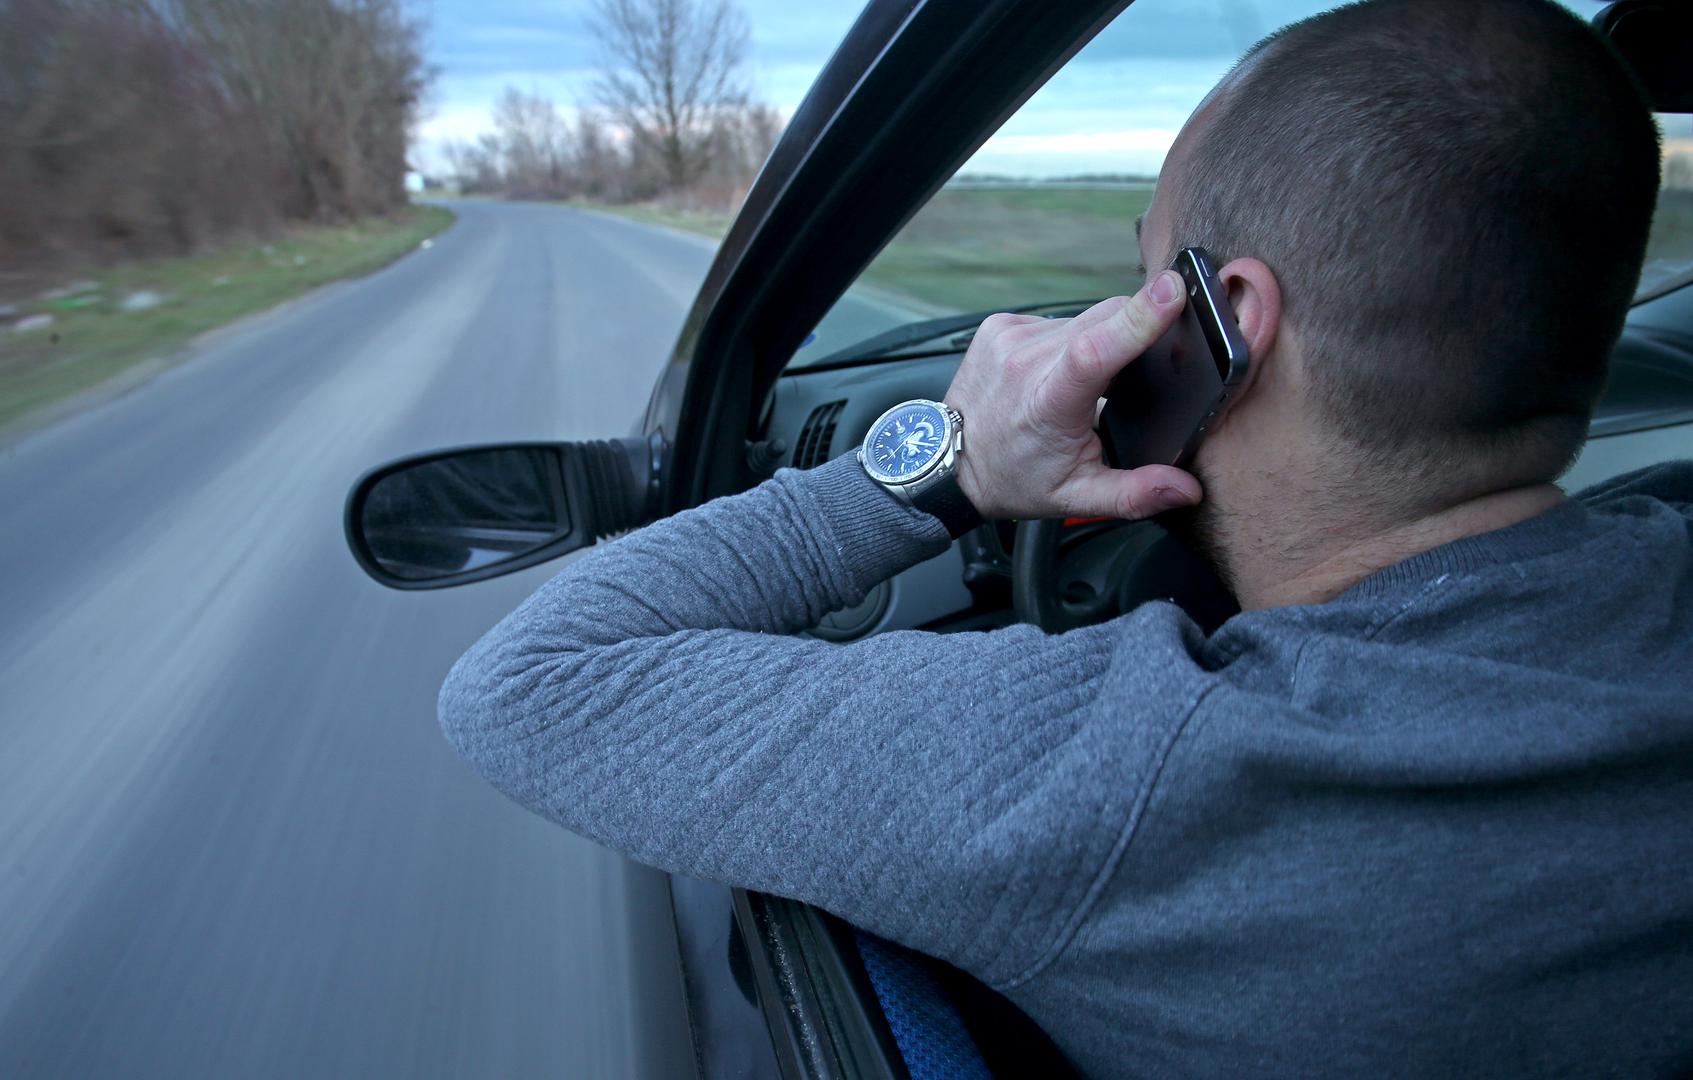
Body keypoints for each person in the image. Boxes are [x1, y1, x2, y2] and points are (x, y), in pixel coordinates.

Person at [438, 0, 1693, 1074]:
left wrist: (950, 465)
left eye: (1147, 271)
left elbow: (529, 685)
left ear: (1227, 326)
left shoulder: (1147, 769)